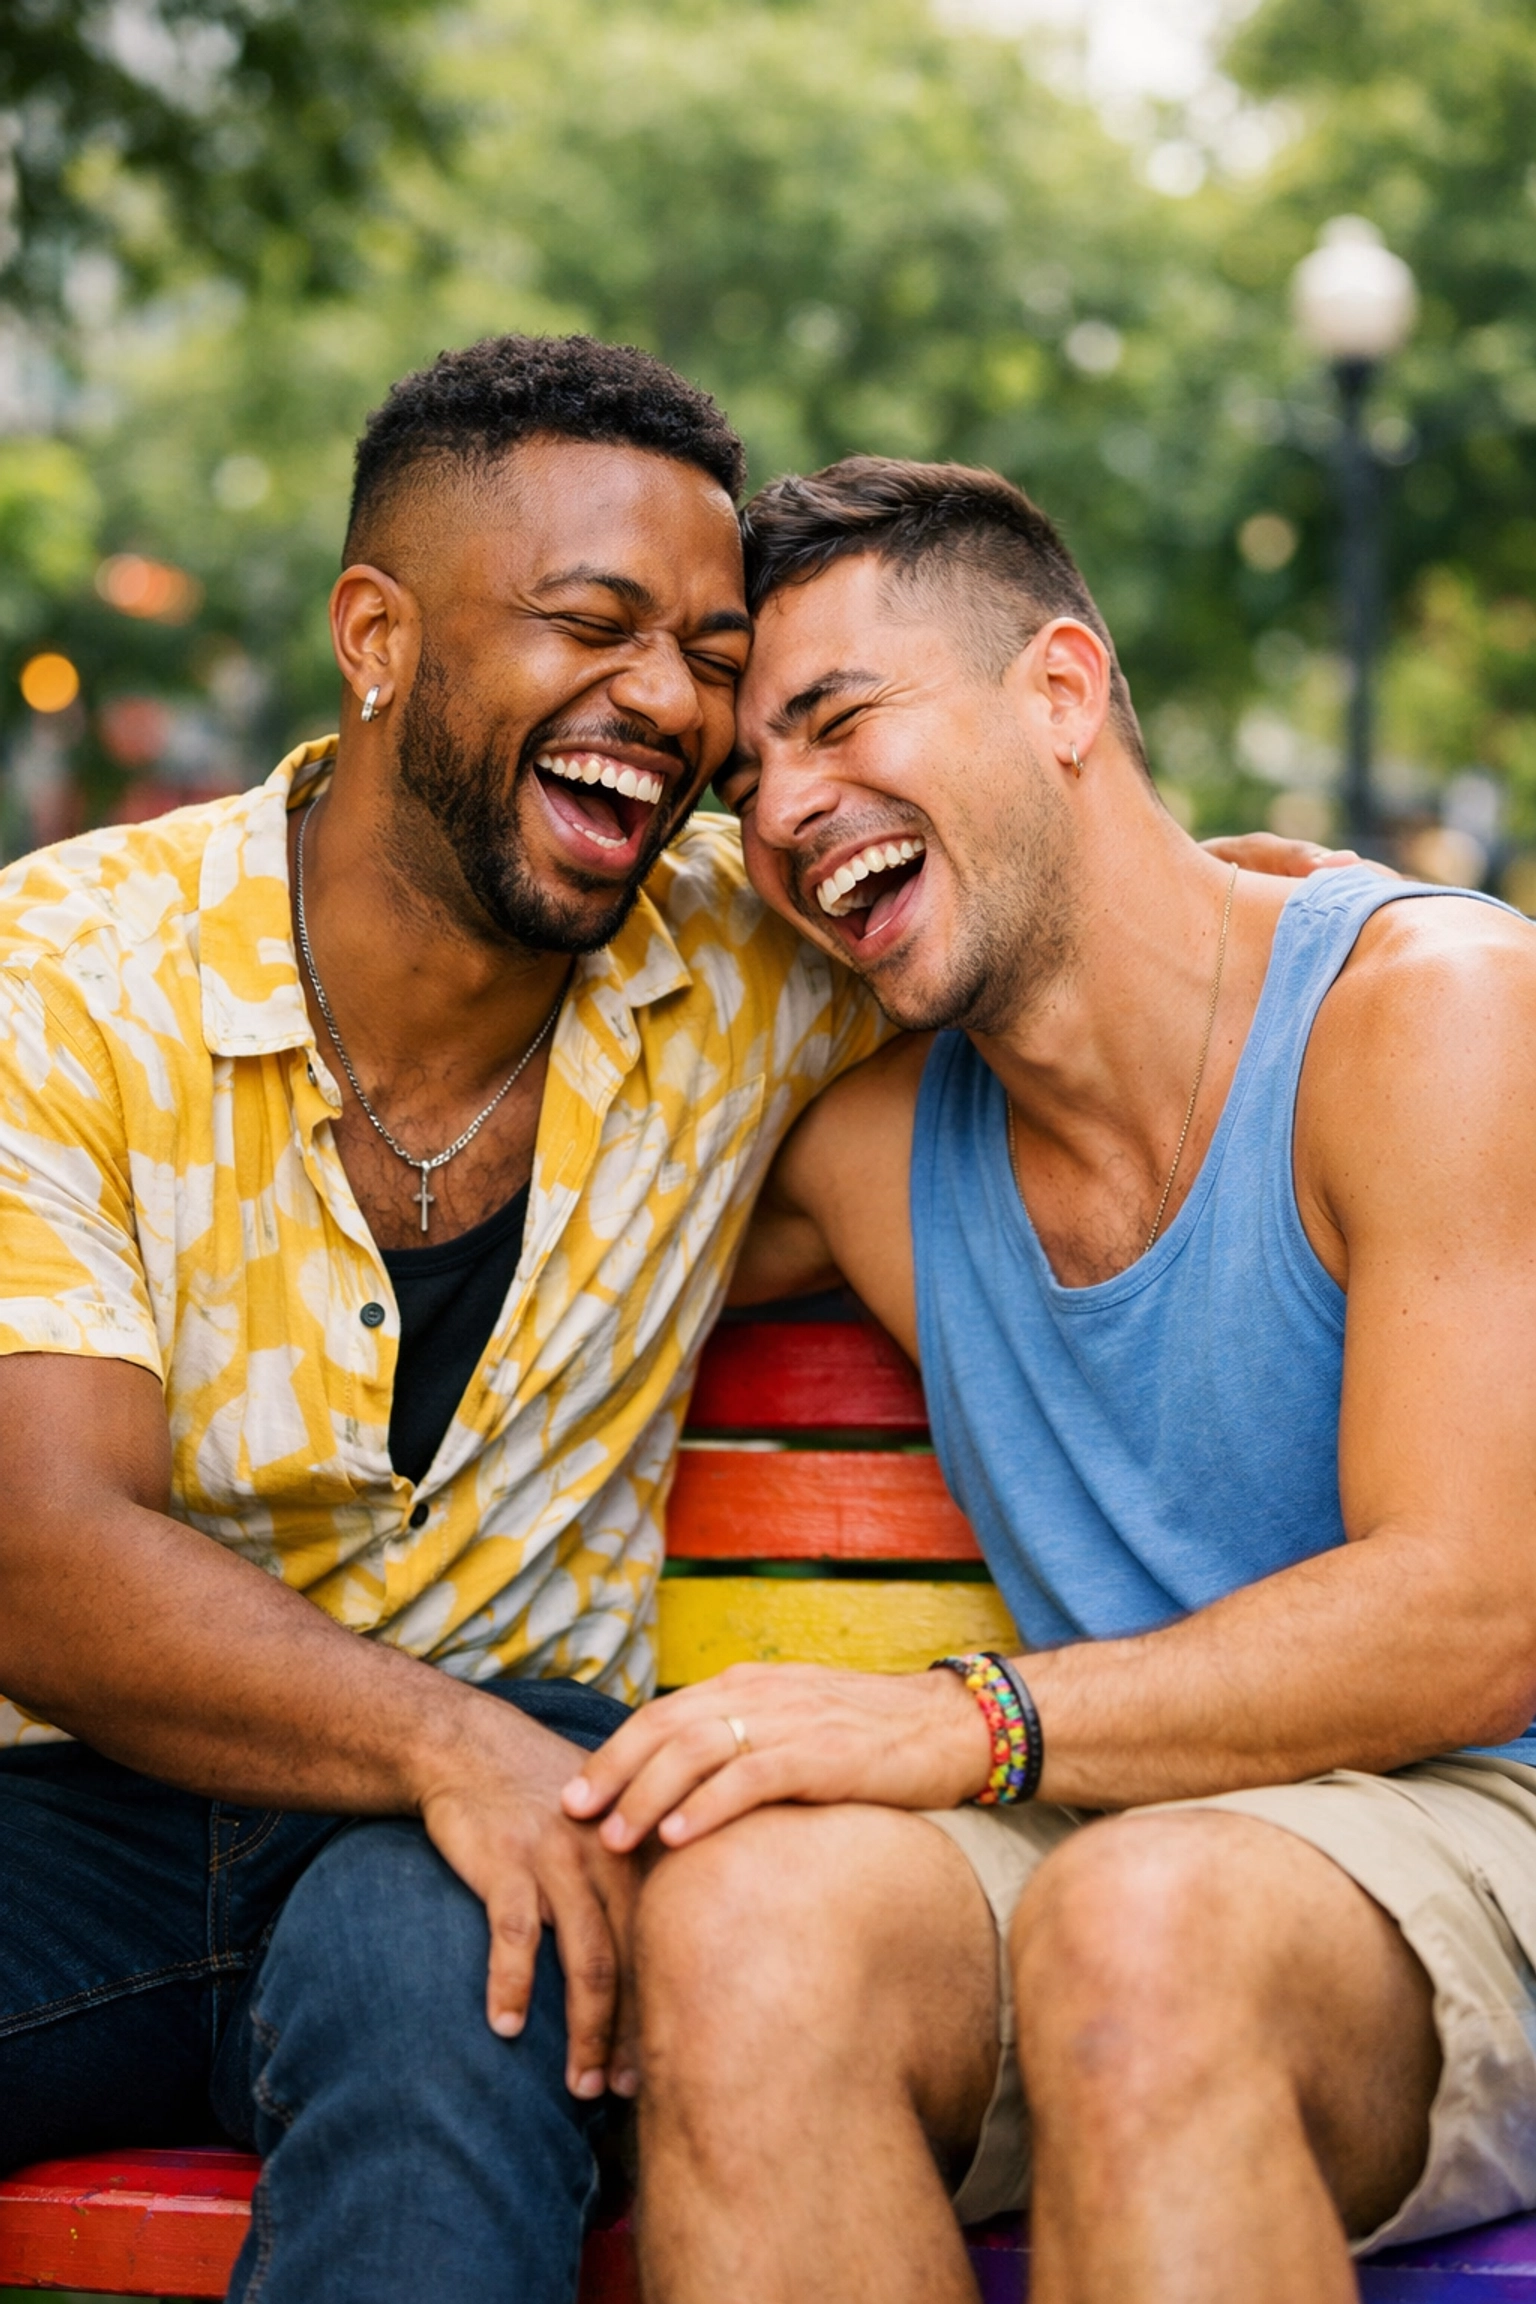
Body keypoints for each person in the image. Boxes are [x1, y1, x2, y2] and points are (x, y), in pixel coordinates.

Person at [567, 455, 1536, 2304]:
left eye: (839, 719)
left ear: (1065, 692)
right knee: (748, 1928)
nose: (785, 814)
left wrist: (966, 1719)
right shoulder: (864, 1156)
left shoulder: (1429, 1015)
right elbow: (508, 1192)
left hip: (1482, 1828)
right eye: (744, 781)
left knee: (1146, 1921)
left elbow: (1475, 1614)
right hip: (1130, 1838)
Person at [0, 336, 900, 2304]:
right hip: (89, 1799)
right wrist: (435, 1739)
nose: (666, 701)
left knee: (452, 2004)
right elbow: (43, 1555)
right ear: (378, 637)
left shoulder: (758, 966)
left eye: (709, 652)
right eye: (593, 625)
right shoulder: (65, 978)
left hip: (517, 1800)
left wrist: (1401, 953)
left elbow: (1125, 933)